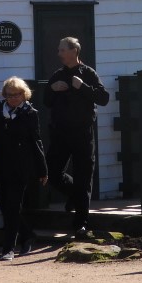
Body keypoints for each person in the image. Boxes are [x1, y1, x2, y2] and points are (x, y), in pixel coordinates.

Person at [44, 37, 109, 238]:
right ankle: (74, 194)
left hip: (83, 133)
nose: (59, 53)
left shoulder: (88, 73)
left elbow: (103, 98)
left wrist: (82, 87)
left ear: (74, 51)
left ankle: (81, 224)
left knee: (84, 177)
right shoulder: (57, 75)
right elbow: (46, 101)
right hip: (61, 133)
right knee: (51, 172)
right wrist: (51, 89)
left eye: (62, 50)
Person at [0, 76, 47, 260]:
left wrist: (43, 170)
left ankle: (8, 249)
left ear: (24, 95)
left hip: (20, 166)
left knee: (12, 206)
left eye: (17, 95)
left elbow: (36, 141)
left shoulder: (30, 113)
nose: (12, 98)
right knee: (5, 206)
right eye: (9, 95)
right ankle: (27, 235)